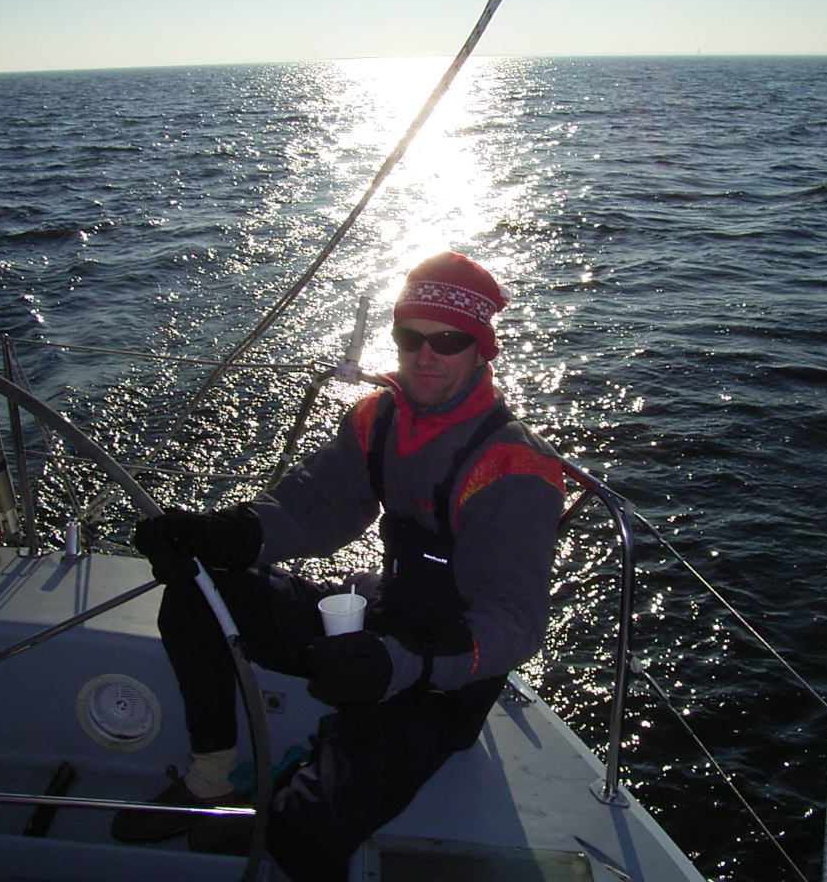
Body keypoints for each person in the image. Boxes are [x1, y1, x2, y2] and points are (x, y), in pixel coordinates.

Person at [111, 251, 565, 882]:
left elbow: (512, 622)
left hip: (444, 682)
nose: (425, 355)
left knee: (299, 833)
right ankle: (208, 778)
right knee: (200, 589)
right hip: (378, 621)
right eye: (411, 336)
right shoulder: (379, 418)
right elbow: (314, 507)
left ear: (482, 349)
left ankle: (310, 788)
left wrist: (396, 662)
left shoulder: (513, 469)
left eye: (449, 339)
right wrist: (221, 535)